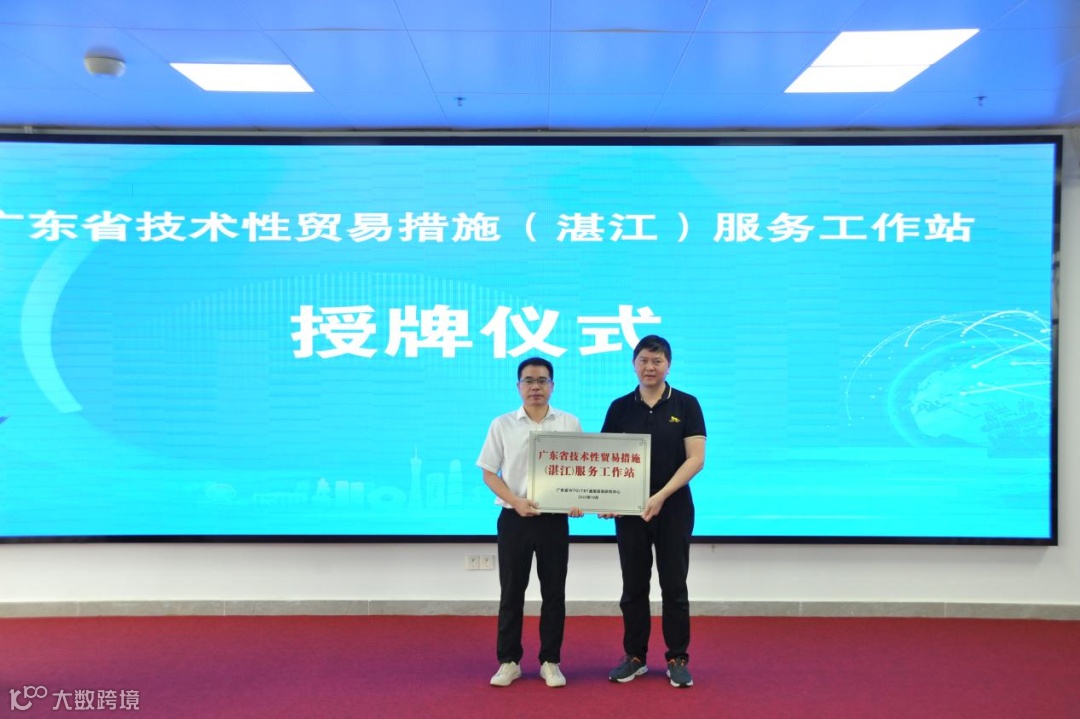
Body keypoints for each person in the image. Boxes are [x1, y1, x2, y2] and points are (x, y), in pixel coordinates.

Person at [601, 335, 706, 689]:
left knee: (674, 584)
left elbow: (696, 459)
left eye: (657, 361)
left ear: (668, 366)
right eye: (644, 360)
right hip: (629, 510)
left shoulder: (687, 404)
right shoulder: (619, 407)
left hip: (674, 506)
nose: (650, 367)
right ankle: (635, 656)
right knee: (633, 584)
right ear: (634, 364)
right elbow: (606, 459)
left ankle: (677, 658)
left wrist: (660, 496)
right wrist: (607, 499)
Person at [476, 357, 583, 688]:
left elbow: (581, 470)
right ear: (518, 386)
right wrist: (515, 500)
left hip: (554, 521)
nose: (535, 386)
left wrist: (579, 500)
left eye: (542, 380)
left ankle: (551, 661)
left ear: (553, 385)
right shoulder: (502, 424)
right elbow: (489, 472)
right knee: (512, 592)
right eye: (528, 380)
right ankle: (509, 661)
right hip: (515, 518)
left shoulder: (569, 423)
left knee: (554, 593)